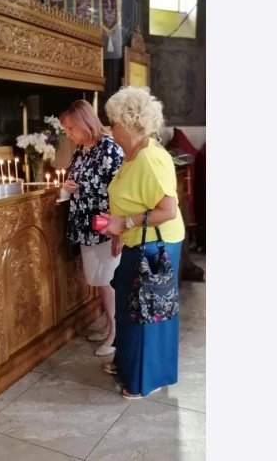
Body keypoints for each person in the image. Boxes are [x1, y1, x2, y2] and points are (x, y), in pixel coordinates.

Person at [96, 87, 185, 399]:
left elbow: (168, 210)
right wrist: (120, 232)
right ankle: (126, 363)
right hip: (139, 240)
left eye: (113, 123)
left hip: (156, 245)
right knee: (129, 308)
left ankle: (147, 379)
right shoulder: (133, 154)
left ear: (129, 123)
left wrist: (124, 224)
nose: (110, 129)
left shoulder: (150, 158)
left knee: (147, 313)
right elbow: (131, 199)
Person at [59, 100, 125, 357]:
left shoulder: (109, 149)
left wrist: (118, 230)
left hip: (105, 227)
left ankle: (116, 334)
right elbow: (76, 178)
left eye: (71, 128)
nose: (69, 134)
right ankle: (109, 325)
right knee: (99, 280)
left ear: (85, 123)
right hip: (85, 226)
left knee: (108, 282)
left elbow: (121, 191)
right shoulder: (81, 149)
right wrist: (67, 185)